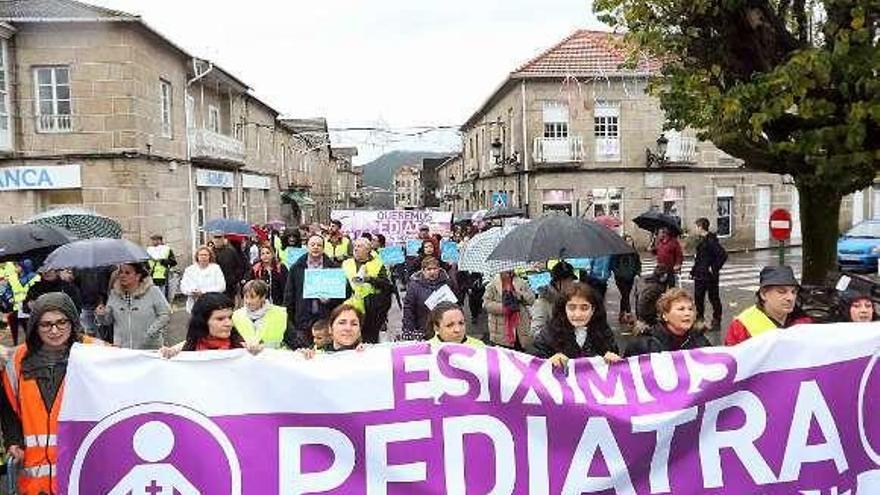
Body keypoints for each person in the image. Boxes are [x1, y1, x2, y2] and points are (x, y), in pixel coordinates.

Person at [1, 293, 100, 495]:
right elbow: (8, 406)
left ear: (73, 321)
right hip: (35, 484)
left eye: (61, 322)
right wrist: (12, 439)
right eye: (45, 324)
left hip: (80, 475)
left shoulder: (95, 353)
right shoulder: (17, 359)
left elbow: (134, 367)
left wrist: (171, 355)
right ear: (35, 326)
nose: (54, 330)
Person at [534, 282, 621, 369]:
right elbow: (534, 366)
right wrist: (548, 362)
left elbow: (615, 365)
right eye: (572, 307)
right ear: (564, 309)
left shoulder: (604, 332)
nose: (578, 314)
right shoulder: (548, 334)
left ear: (593, 310)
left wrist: (613, 358)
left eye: (584, 308)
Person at [283, 234, 345, 349]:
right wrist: (290, 320)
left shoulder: (334, 268)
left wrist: (330, 299)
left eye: (319, 245)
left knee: (326, 354)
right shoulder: (296, 268)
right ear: (307, 246)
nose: (316, 247)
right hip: (303, 320)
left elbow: (344, 293)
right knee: (304, 354)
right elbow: (289, 296)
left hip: (325, 319)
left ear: (323, 248)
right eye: (313, 244)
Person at [725, 266, 813, 346]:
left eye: (793, 292)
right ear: (763, 294)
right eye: (781, 292)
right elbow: (733, 359)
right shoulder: (741, 326)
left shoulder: (804, 322)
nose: (790, 298)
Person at [95, 263, 170, 350]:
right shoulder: (114, 294)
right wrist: (101, 314)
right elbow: (108, 321)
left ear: (138, 276)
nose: (122, 275)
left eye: (127, 273)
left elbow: (165, 314)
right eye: (121, 272)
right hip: (122, 349)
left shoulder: (153, 291)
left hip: (149, 348)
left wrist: (151, 333)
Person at [625, 288, 711, 356]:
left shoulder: (701, 343)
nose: (687, 313)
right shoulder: (644, 345)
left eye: (691, 309)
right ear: (665, 315)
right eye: (681, 309)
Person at [342, 238, 394, 344]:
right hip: (351, 308)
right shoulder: (346, 263)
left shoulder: (378, 264)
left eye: (359, 246)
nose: (355, 249)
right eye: (355, 246)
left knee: (369, 342)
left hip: (371, 310)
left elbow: (387, 286)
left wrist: (369, 279)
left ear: (368, 250)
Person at [401, 257, 453, 341]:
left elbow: (455, 305)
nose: (432, 272)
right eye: (429, 269)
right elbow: (409, 308)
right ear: (423, 270)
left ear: (439, 269)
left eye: (435, 269)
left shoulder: (447, 283)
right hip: (423, 328)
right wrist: (409, 329)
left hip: (444, 328)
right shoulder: (414, 285)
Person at [484, 270, 536, 350]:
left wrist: (520, 295)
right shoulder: (493, 285)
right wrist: (504, 308)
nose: (508, 271)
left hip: (519, 327)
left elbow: (532, 299)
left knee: (520, 355)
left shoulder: (521, 282)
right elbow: (486, 304)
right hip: (500, 329)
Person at [691, 217, 727, 331]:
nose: (695, 229)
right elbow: (700, 259)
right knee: (698, 298)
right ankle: (699, 320)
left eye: (696, 226)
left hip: (709, 277)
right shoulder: (701, 240)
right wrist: (693, 271)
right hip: (700, 275)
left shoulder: (711, 240)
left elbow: (722, 255)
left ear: (701, 227)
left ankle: (716, 320)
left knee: (713, 298)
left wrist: (714, 268)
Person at [232, 280, 288, 349]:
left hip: (271, 357)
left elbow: (292, 339)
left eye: (252, 297)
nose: (248, 301)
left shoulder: (279, 313)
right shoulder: (236, 315)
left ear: (263, 297)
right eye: (246, 297)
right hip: (246, 358)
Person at [531, 261, 578, 339]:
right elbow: (535, 332)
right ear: (557, 282)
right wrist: (556, 331)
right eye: (567, 281)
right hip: (554, 348)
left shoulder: (571, 299)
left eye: (571, 280)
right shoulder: (542, 303)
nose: (570, 284)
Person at [179, 245, 226, 313]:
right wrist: (192, 291)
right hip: (194, 305)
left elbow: (222, 286)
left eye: (205, 255)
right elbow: (183, 286)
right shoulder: (189, 270)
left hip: (212, 304)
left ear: (210, 256)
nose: (203, 257)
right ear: (197, 256)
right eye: (201, 255)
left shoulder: (215, 268)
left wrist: (203, 292)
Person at [611, 235, 641, 325]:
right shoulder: (618, 252)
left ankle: (621, 314)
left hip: (630, 277)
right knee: (625, 295)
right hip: (620, 278)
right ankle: (628, 314)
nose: (629, 243)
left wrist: (637, 274)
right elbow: (613, 265)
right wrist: (618, 273)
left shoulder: (634, 253)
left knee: (625, 296)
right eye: (627, 241)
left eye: (630, 241)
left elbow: (638, 265)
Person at [212, 232, 244, 301]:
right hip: (214, 286)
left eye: (219, 237)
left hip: (229, 287)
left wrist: (234, 279)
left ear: (223, 238)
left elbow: (239, 267)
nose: (217, 240)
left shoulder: (230, 251)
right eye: (215, 237)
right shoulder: (210, 252)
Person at [146, 234, 177, 300]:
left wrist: (162, 261)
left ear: (159, 240)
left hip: (163, 276)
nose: (153, 242)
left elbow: (173, 262)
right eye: (152, 240)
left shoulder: (167, 249)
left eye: (155, 240)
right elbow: (146, 263)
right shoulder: (149, 250)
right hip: (151, 276)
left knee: (162, 297)